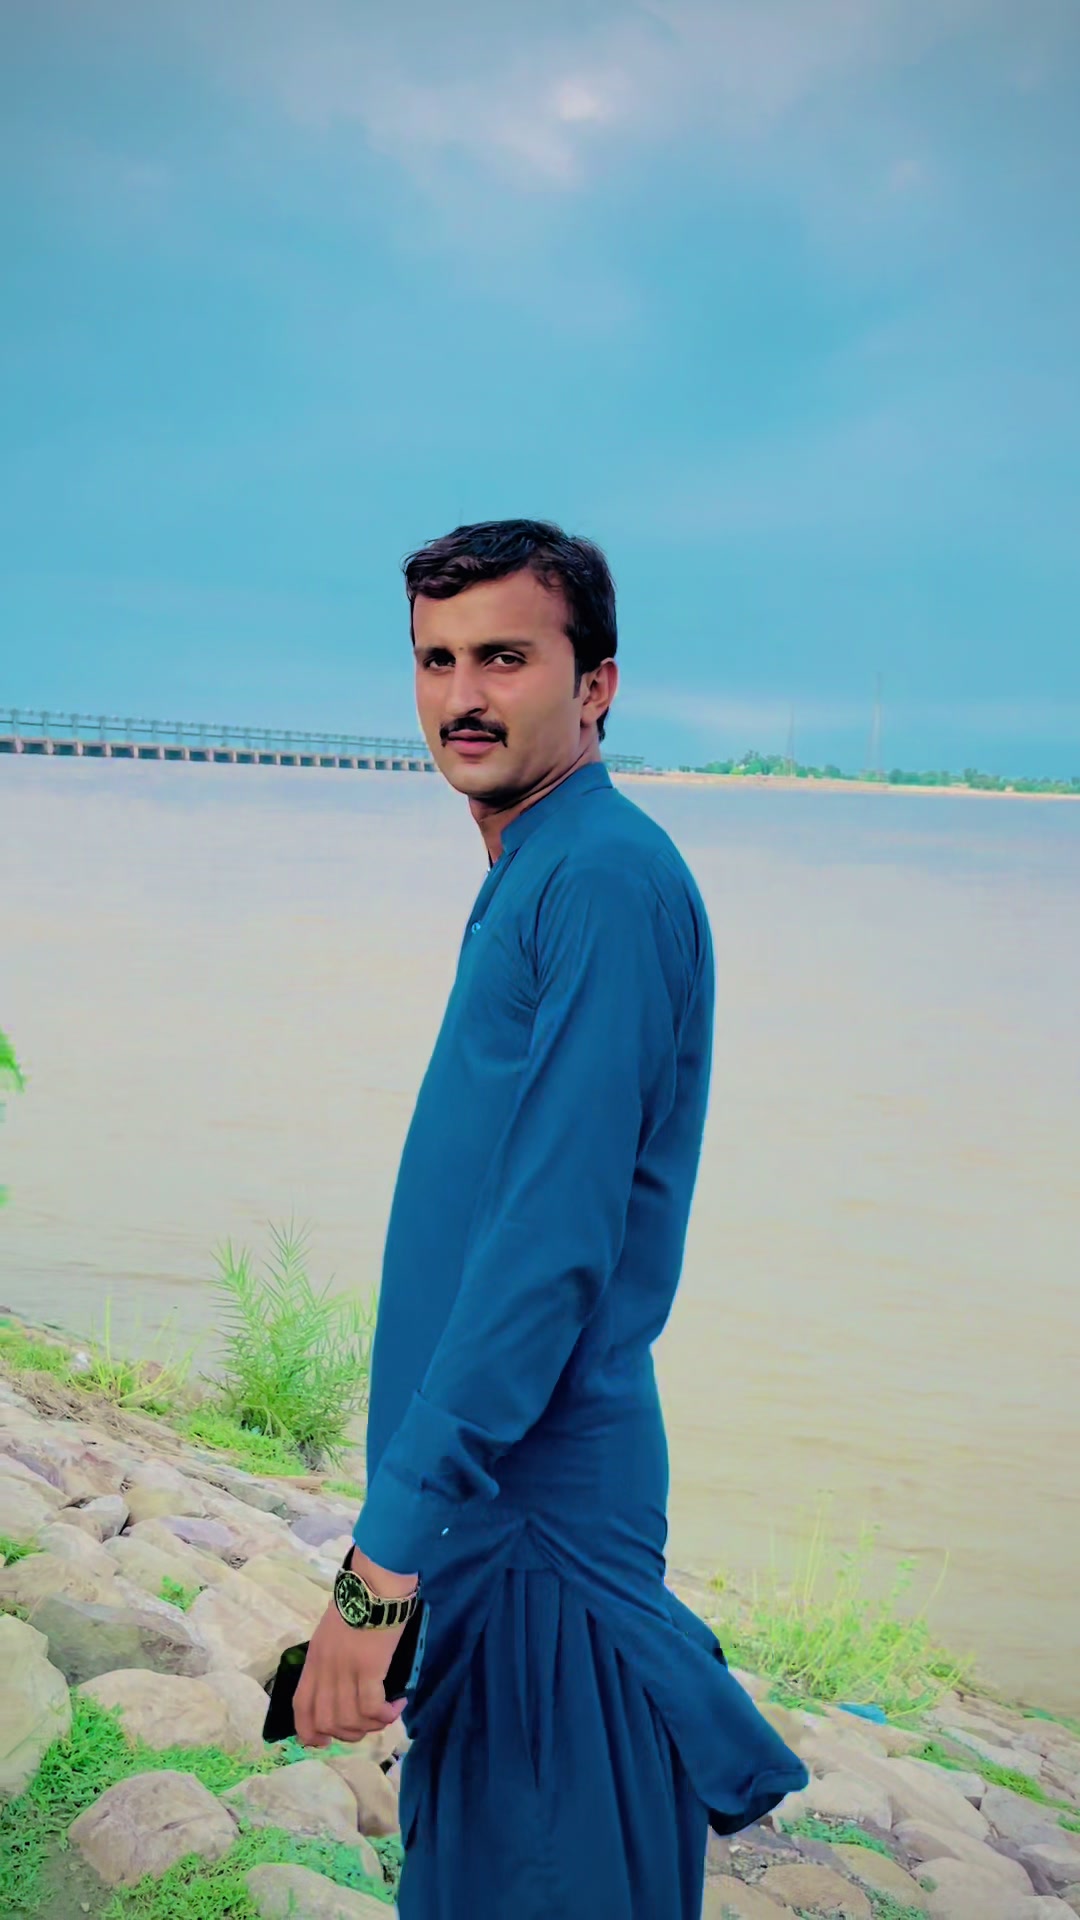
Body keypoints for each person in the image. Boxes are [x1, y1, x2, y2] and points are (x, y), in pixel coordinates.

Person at [294, 519, 807, 1918]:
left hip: (540, 1535)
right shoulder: (538, 866)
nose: (463, 695)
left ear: (596, 686)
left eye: (505, 658)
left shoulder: (603, 880)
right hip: (488, 1526)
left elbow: (548, 1252)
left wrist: (380, 1568)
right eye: (436, 660)